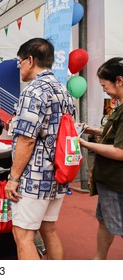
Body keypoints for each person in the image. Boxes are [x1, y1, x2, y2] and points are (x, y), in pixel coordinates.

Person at [4, 38, 75, 260]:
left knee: (23, 235)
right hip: (59, 173)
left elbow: (27, 139)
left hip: (34, 177)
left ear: (30, 60)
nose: (19, 67)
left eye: (20, 61)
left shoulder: (33, 91)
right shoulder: (63, 91)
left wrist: (13, 178)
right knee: (49, 228)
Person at [79, 57, 123, 260]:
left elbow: (120, 151)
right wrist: (91, 130)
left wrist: (85, 143)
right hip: (107, 181)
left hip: (116, 183)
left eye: (104, 85)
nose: (103, 90)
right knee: (104, 221)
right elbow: (112, 134)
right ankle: (99, 260)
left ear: (119, 81)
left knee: (117, 225)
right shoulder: (119, 106)